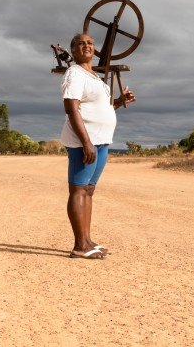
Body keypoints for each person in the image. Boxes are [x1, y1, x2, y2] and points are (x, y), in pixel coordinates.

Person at [60, 32, 136, 259]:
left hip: (101, 142)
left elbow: (102, 109)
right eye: (81, 43)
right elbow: (71, 108)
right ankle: (79, 246)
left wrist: (121, 102)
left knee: (89, 190)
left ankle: (87, 240)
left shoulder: (95, 78)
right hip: (85, 142)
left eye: (90, 43)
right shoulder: (74, 73)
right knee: (79, 189)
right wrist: (86, 142)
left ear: (95, 49)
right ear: (73, 51)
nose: (86, 46)